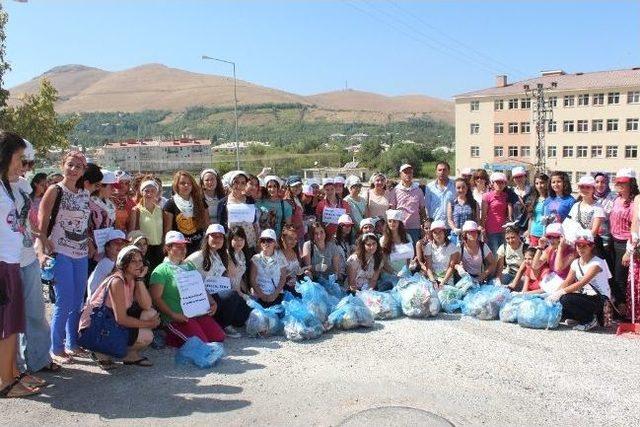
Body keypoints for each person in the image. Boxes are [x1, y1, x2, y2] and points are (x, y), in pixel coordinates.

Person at [0, 132, 44, 398]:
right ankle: (5, 382)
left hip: (13, 261)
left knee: (12, 325)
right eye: (19, 159)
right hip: (3, 263)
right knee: (6, 326)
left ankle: (13, 373)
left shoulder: (7, 185)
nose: (22, 165)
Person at [38, 151, 90, 364]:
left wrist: (91, 244)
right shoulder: (54, 190)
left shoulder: (85, 193)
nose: (74, 169)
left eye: (79, 166)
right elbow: (42, 221)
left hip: (81, 252)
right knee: (64, 300)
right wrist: (42, 250)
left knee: (78, 300)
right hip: (60, 251)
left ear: (83, 170)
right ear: (63, 165)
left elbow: (85, 224)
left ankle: (72, 343)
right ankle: (56, 348)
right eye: (70, 164)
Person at [12, 142, 56, 376]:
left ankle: (38, 359)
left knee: (36, 312)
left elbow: (27, 223)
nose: (27, 168)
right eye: (23, 161)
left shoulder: (23, 187)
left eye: (30, 163)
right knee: (9, 319)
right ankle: (14, 369)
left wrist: (41, 241)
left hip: (28, 257)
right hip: (7, 260)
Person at [80, 246, 160, 369]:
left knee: (150, 313)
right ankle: (100, 351)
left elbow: (147, 305)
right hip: (95, 327)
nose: (139, 264)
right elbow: (121, 319)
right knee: (146, 335)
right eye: (133, 261)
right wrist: (148, 324)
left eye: (140, 261)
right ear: (123, 263)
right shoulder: (117, 281)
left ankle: (127, 354)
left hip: (109, 320)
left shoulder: (132, 278)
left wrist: (139, 279)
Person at [150, 231, 225, 347]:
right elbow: (156, 298)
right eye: (178, 246)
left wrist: (212, 302)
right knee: (201, 343)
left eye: (184, 246)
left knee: (219, 337)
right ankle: (166, 334)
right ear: (168, 248)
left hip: (195, 313)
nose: (183, 249)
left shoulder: (189, 266)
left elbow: (200, 287)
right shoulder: (160, 271)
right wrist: (173, 315)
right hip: (176, 318)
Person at [187, 224, 251, 338]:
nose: (217, 239)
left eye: (220, 237)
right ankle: (223, 325)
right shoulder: (198, 256)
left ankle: (218, 321)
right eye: (214, 236)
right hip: (201, 297)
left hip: (214, 295)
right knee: (232, 295)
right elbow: (183, 269)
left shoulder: (220, 256)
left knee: (244, 312)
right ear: (207, 238)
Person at [547, 231, 612, 331]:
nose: (580, 249)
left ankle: (589, 320)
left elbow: (581, 283)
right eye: (578, 245)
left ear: (591, 246)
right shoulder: (575, 262)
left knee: (566, 299)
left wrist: (560, 293)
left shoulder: (597, 263)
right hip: (586, 297)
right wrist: (554, 294)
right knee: (560, 306)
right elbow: (568, 281)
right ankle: (579, 318)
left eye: (584, 246)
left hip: (600, 299)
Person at [609, 168, 639, 312]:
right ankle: (617, 307)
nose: (619, 185)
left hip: (625, 244)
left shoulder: (635, 203)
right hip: (612, 242)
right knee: (612, 276)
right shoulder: (616, 199)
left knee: (621, 278)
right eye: (617, 182)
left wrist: (629, 251)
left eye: (623, 183)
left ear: (631, 183)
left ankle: (623, 310)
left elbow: (635, 229)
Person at [163, 171, 209, 255]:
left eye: (189, 183)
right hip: (179, 248)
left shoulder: (200, 201)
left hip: (200, 246)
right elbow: (168, 230)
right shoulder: (170, 204)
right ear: (176, 185)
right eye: (182, 183)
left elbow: (206, 224)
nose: (186, 185)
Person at [218, 171, 259, 252]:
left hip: (249, 240)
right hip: (232, 242)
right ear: (231, 183)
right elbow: (221, 224)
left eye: (243, 183)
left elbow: (254, 221)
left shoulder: (250, 200)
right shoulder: (223, 202)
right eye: (236, 182)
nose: (239, 186)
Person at [129, 179, 164, 271]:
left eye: (152, 191)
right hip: (144, 249)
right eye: (146, 191)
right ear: (142, 192)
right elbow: (131, 233)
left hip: (159, 249)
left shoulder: (160, 210)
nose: (149, 194)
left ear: (156, 193)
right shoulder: (136, 210)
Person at [388, 164, 427, 243]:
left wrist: (423, 226)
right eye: (405, 172)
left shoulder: (418, 190)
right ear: (400, 175)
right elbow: (392, 210)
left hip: (415, 227)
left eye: (410, 172)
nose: (408, 174)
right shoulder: (395, 191)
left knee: (414, 251)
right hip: (400, 227)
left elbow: (422, 209)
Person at [250, 229, 287, 307]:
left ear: (275, 243)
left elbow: (283, 278)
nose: (266, 243)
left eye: (269, 240)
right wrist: (262, 296)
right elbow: (252, 280)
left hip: (276, 293)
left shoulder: (280, 257)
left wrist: (274, 295)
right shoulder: (256, 258)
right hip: (259, 295)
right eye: (263, 240)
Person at [417, 220, 460, 288]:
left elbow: (451, 268)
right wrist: (433, 281)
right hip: (432, 279)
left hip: (447, 280)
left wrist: (443, 283)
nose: (438, 235)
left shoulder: (452, 247)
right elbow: (429, 267)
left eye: (440, 232)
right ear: (432, 234)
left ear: (444, 233)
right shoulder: (429, 246)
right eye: (435, 233)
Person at [87, 229, 128, 298]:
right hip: (98, 306)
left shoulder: (112, 262)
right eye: (116, 243)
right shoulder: (106, 263)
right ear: (107, 247)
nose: (120, 246)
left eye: (122, 243)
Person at [569, 176, 605, 253]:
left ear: (593, 189)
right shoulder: (576, 205)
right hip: (575, 244)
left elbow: (594, 231)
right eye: (582, 187)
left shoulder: (598, 207)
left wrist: (581, 243)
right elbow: (569, 225)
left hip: (589, 246)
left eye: (588, 187)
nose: (584, 189)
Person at [481, 172, 512, 254]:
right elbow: (483, 215)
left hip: (504, 230)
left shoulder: (506, 196)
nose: (499, 184)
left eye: (502, 182)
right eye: (497, 182)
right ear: (492, 183)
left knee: (503, 254)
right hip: (491, 230)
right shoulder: (486, 196)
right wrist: (483, 230)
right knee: (494, 253)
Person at [380, 209, 414, 275]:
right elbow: (384, 262)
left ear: (399, 223)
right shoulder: (382, 240)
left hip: (405, 273)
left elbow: (408, 258)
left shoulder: (407, 237)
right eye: (390, 221)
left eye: (395, 221)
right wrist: (395, 273)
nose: (392, 223)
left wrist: (406, 270)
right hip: (389, 273)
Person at [447, 177, 479, 245]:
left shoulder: (474, 203)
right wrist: (455, 229)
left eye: (463, 187)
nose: (461, 190)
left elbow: (477, 220)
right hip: (456, 236)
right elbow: (449, 220)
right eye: (458, 188)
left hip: (470, 237)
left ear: (467, 188)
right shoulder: (452, 203)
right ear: (455, 189)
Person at [275, 225, 303, 295]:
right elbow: (276, 279)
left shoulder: (295, 251)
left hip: (297, 286)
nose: (294, 241)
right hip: (283, 290)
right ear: (282, 238)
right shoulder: (278, 255)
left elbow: (298, 272)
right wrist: (290, 276)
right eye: (290, 238)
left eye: (295, 238)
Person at [425, 161, 455, 226]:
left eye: (444, 170)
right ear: (436, 172)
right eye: (440, 170)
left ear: (449, 171)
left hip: (452, 226)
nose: (442, 172)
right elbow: (427, 207)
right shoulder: (429, 187)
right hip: (436, 226)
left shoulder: (455, 186)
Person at [525, 173, 549, 247]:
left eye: (542, 183)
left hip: (546, 235)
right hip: (534, 233)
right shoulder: (533, 199)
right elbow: (531, 218)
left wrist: (545, 234)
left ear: (547, 183)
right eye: (537, 183)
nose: (539, 186)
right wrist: (529, 232)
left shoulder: (551, 199)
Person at [283, 176, 305, 247]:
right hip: (294, 237)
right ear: (289, 187)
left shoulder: (297, 198)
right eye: (295, 186)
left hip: (300, 233)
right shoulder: (287, 201)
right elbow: (288, 223)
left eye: (299, 185)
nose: (298, 188)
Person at [228, 226, 250, 294]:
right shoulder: (227, 255)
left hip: (238, 292)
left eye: (241, 239)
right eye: (236, 239)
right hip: (230, 293)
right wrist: (244, 296)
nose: (239, 242)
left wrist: (248, 292)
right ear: (230, 240)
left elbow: (239, 277)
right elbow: (232, 281)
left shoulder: (242, 254)